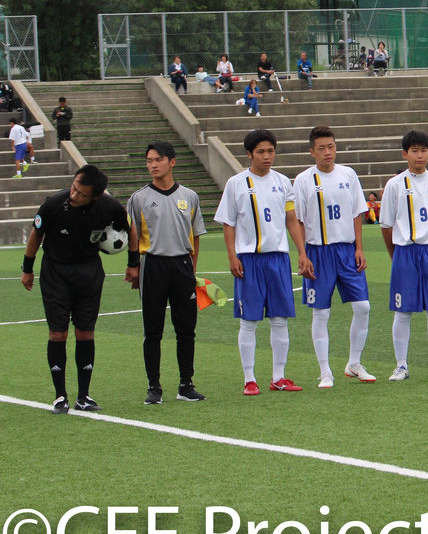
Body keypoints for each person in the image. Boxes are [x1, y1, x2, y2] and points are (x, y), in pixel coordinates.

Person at [21, 165, 128, 413]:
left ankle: (83, 396)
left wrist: (133, 263)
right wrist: (27, 268)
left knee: (86, 333)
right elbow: (36, 235)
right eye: (74, 187)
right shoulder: (53, 204)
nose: (74, 194)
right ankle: (60, 396)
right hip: (55, 274)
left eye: (81, 193)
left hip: (89, 274)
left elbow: (128, 229)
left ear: (95, 196)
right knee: (58, 334)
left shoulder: (109, 207)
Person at [214, 128, 313, 395]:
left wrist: (302, 252)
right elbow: (228, 223)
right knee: (249, 320)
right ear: (249, 154)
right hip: (249, 259)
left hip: (278, 259)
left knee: (280, 319)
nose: (267, 156)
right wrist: (232, 256)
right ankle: (249, 379)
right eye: (261, 152)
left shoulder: (282, 182)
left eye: (270, 151)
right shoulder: (236, 183)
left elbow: (291, 219)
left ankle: (278, 377)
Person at [124, 142, 208, 404]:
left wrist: (192, 267)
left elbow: (195, 234)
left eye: (158, 160)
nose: (153, 165)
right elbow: (132, 236)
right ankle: (154, 387)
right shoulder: (138, 198)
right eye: (149, 161)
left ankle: (186, 385)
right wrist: (134, 266)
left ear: (172, 162)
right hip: (153, 266)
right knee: (153, 330)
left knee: (186, 329)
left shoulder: (189, 196)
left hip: (182, 266)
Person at [293, 126, 377, 387]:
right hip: (318, 252)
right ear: (312, 152)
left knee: (363, 307)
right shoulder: (303, 180)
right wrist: (303, 254)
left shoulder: (348, 174)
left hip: (346, 251)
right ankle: (325, 371)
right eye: (321, 148)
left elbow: (356, 213)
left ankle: (354, 363)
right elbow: (298, 220)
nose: (327, 152)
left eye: (331, 146)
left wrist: (359, 248)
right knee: (321, 312)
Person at [381, 130, 428, 380]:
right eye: (414, 151)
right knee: (402, 311)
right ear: (405, 154)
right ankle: (401, 365)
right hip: (405, 251)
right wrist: (396, 255)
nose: (420, 155)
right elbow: (387, 225)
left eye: (423, 150)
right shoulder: (395, 184)